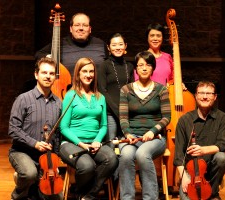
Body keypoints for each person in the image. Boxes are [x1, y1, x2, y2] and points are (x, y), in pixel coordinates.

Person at [59, 57, 118, 200]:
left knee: (112, 159)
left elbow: (103, 125)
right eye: (84, 71)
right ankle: (79, 192)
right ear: (78, 74)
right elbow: (64, 127)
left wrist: (97, 141)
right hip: (72, 144)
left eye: (91, 71)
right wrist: (81, 144)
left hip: (94, 143)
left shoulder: (100, 97)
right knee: (87, 165)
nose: (88, 75)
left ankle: (88, 195)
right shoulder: (70, 95)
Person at [118, 51, 171, 200]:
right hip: (132, 136)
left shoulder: (161, 90)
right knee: (126, 156)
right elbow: (123, 117)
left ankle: (150, 197)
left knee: (142, 154)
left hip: (155, 137)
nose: (144, 68)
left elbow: (167, 117)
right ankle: (127, 198)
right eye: (140, 65)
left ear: (153, 68)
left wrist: (152, 131)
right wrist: (127, 134)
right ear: (136, 69)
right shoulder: (126, 90)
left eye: (148, 64)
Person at [8, 57, 62, 200]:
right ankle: (18, 194)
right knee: (29, 173)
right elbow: (13, 129)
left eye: (51, 73)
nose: (48, 76)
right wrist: (35, 143)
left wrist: (55, 162)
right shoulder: (23, 99)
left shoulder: (58, 103)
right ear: (36, 75)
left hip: (46, 158)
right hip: (22, 151)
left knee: (56, 196)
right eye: (44, 73)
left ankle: (34, 188)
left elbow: (56, 134)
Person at [174, 81, 225, 200]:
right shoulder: (184, 120)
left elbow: (221, 145)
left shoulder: (222, 118)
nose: (205, 96)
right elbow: (178, 154)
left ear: (215, 97)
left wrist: (203, 150)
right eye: (201, 93)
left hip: (210, 169)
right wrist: (184, 176)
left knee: (221, 157)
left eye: (209, 93)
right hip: (190, 172)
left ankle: (213, 193)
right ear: (195, 96)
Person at [35, 12, 108, 75]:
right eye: (77, 25)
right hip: (67, 90)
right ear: (71, 29)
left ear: (90, 29)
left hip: (96, 90)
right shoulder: (60, 44)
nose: (81, 28)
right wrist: (49, 57)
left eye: (85, 25)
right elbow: (38, 55)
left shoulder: (100, 44)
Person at [98, 33, 134, 149]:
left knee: (126, 147)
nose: (117, 47)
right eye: (114, 45)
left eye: (120, 44)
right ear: (108, 47)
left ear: (125, 46)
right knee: (111, 147)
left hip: (127, 113)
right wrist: (117, 111)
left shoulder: (129, 66)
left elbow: (132, 89)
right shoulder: (104, 66)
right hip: (110, 114)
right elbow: (102, 90)